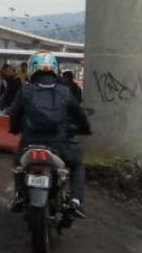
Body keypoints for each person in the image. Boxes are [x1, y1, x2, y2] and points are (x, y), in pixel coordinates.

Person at [8, 52, 92, 217]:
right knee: (77, 165)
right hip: (58, 145)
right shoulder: (65, 91)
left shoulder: (25, 91)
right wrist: (84, 129)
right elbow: (79, 115)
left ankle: (20, 194)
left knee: (19, 163)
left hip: (30, 143)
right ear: (55, 68)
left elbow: (15, 114)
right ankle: (75, 201)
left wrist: (14, 129)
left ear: (32, 69)